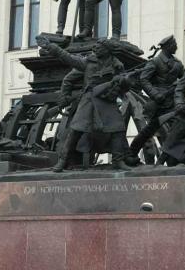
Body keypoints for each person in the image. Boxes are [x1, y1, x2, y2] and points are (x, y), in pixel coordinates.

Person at [36, 35, 132, 172]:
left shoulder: (117, 65)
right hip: (89, 99)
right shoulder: (88, 62)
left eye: (99, 46)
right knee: (76, 130)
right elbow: (68, 57)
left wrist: (123, 81)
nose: (95, 48)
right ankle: (62, 161)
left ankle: (118, 160)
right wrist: (51, 46)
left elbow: (125, 87)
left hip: (107, 101)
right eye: (96, 46)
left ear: (107, 50)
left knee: (118, 128)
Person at [129, 36, 184, 162]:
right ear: (167, 46)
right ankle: (132, 151)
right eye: (174, 44)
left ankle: (173, 158)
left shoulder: (177, 64)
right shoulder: (155, 62)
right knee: (150, 130)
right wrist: (155, 94)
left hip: (172, 101)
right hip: (158, 102)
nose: (176, 46)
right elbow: (143, 79)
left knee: (179, 127)